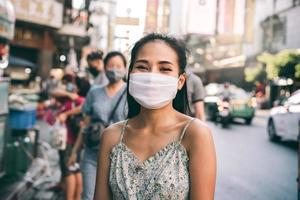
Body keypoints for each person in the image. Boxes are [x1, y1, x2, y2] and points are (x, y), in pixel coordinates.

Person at [94, 33, 216, 199]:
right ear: (130, 75)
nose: (152, 77)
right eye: (143, 67)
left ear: (180, 81)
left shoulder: (196, 134)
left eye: (165, 69)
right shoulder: (111, 136)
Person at [68, 51, 128, 200]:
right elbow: (85, 124)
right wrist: (75, 151)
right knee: (89, 196)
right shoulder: (94, 92)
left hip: (121, 157)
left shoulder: (132, 93)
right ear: (104, 68)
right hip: (92, 154)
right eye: (111, 65)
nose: (114, 69)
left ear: (126, 69)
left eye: (118, 66)